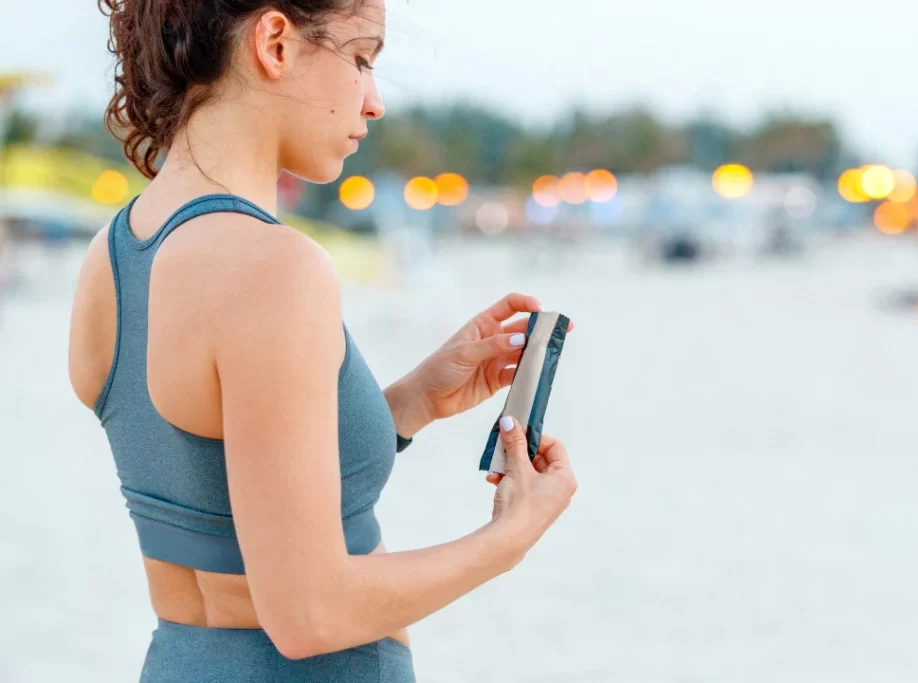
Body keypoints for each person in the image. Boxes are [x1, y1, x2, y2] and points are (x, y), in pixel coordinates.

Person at [67, 1, 578, 681]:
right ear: (275, 42)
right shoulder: (275, 269)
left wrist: (415, 399)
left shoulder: (113, 258)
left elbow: (216, 480)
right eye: (362, 59)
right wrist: (509, 537)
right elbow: (310, 612)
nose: (374, 103)